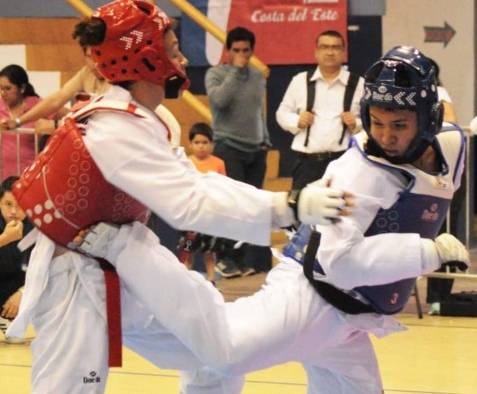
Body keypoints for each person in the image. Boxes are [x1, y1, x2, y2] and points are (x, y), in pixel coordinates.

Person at [77, 46, 470, 394]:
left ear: (429, 118)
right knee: (222, 349)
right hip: (310, 298)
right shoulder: (360, 171)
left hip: (351, 323)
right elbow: (341, 264)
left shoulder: (452, 145)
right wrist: (427, 252)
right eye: (378, 122)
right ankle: (122, 276)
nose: (386, 136)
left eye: (400, 125)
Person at [7, 1, 348, 392]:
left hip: (126, 264)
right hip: (75, 281)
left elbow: (198, 182)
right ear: (145, 60)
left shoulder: (145, 120)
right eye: (171, 50)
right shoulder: (113, 129)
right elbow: (189, 202)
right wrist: (286, 208)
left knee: (216, 352)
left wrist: (284, 205)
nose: (182, 58)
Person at [205, 26, 272, 278]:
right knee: (233, 204)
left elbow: (258, 111)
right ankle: (226, 259)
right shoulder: (215, 74)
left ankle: (251, 260)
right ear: (228, 51)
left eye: (246, 50)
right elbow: (219, 101)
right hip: (228, 147)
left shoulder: (257, 77)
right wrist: (235, 69)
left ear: (252, 51)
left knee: (255, 206)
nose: (242, 54)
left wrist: (265, 139)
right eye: (236, 50)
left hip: (256, 150)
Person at [276, 30, 365, 190]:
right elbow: (281, 113)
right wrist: (297, 121)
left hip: (344, 162)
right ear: (316, 52)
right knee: (301, 211)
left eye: (335, 47)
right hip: (306, 163)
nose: (330, 52)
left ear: (343, 52)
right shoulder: (300, 80)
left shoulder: (358, 84)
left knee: (341, 210)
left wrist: (356, 124)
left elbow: (372, 120)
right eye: (324, 47)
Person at [425, 58, 462, 315]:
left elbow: (450, 119)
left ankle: (439, 297)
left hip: (436, 174)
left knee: (441, 230)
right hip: (405, 174)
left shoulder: (439, 93)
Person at [180, 122, 226, 282]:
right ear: (190, 144)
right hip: (191, 215)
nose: (201, 146)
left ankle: (211, 280)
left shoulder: (218, 163)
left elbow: (224, 186)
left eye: (205, 142)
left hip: (210, 214)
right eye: (197, 142)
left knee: (209, 251)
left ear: (212, 144)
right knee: (188, 250)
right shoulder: (185, 162)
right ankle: (186, 279)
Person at [0, 65, 48, 178]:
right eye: (1, 88)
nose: (3, 93)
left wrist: (53, 125)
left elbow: (65, 113)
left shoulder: (36, 105)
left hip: (30, 176)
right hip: (3, 177)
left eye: (7, 88)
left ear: (22, 88)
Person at [0, 176, 32, 344]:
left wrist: (23, 294)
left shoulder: (40, 227)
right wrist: (4, 238)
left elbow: (49, 269)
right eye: (8, 204)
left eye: (20, 204)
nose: (13, 211)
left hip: (23, 294)